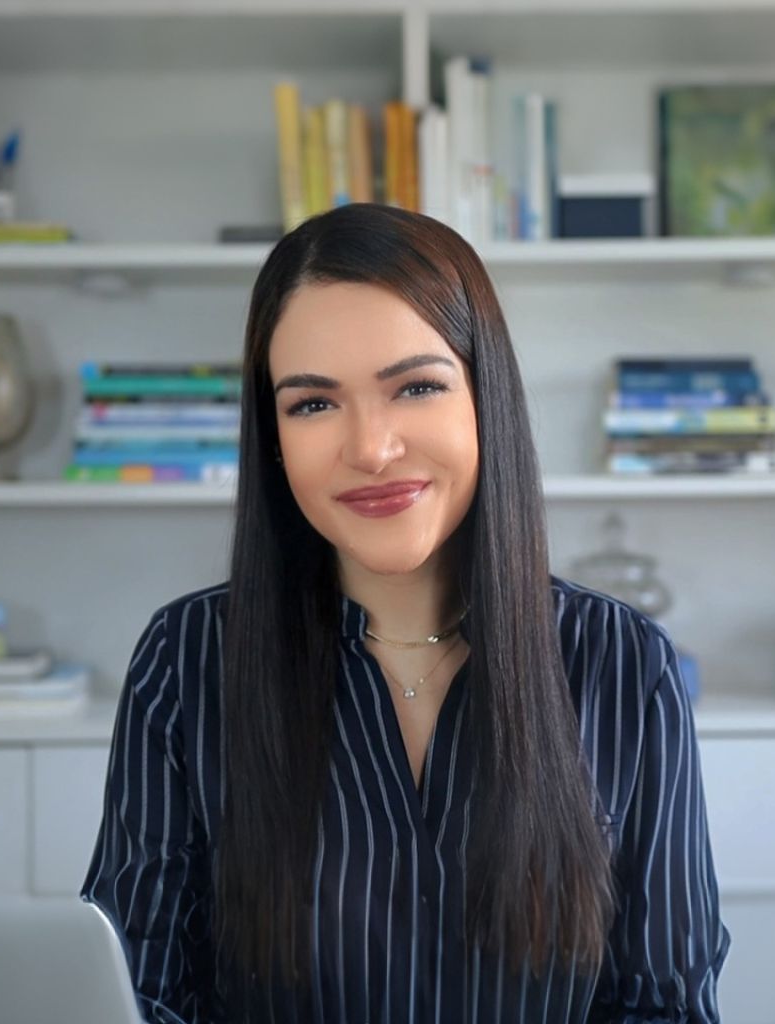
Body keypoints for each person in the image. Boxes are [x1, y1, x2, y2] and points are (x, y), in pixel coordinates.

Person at [81, 203, 731, 1024]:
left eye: (416, 387)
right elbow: (135, 997)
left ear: (485, 398)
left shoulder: (623, 664)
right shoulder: (186, 661)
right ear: (273, 436)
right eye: (313, 404)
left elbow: (666, 1008)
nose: (371, 449)